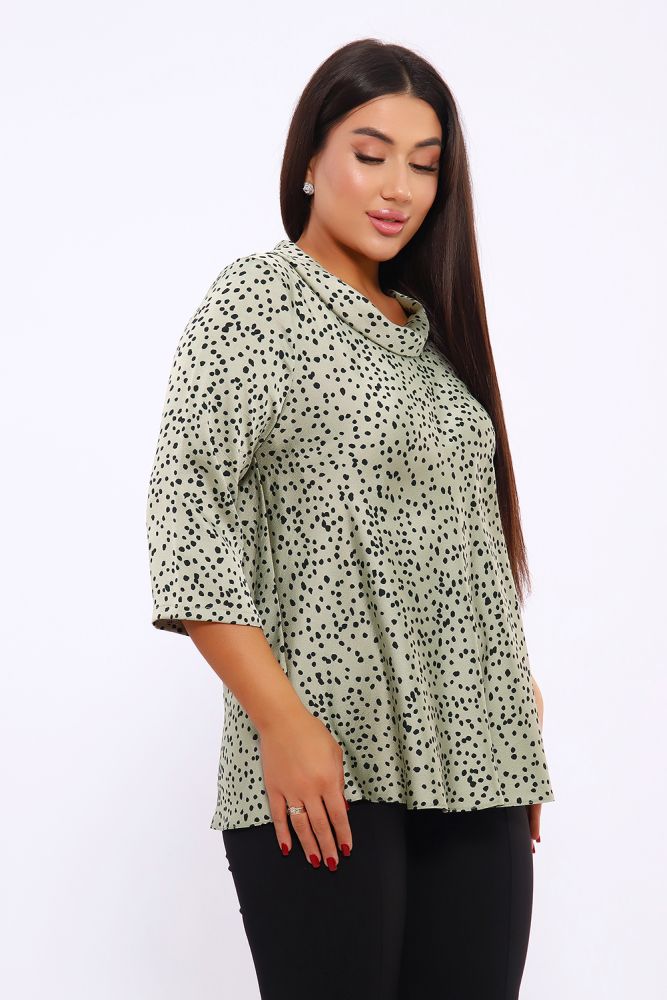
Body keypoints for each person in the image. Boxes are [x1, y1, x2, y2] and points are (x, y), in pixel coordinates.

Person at [145, 37, 555, 1000]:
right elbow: (188, 515)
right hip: (327, 758)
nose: (398, 188)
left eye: (424, 164)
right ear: (309, 160)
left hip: (481, 752)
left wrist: (515, 696)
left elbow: (460, 535)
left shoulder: (434, 333)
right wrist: (282, 724)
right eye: (371, 154)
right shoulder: (256, 302)